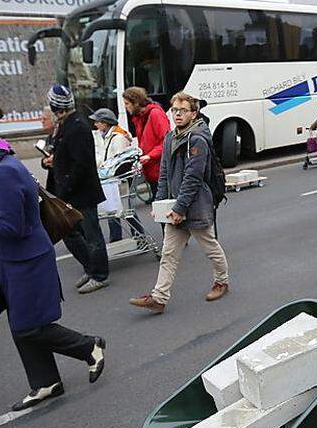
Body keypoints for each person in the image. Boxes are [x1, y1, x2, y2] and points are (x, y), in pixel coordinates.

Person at [0, 114, 105, 411]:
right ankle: (45, 382)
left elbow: (11, 228)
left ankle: (88, 346)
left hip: (28, 260)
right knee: (21, 325)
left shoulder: (4, 172)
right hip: (15, 259)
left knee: (30, 327)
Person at [130, 92, 230, 314]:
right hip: (176, 206)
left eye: (183, 111)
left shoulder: (197, 139)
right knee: (169, 254)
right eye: (174, 110)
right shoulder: (170, 137)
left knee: (210, 248)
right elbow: (164, 174)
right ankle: (159, 298)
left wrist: (179, 209)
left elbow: (193, 178)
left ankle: (221, 281)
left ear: (194, 113)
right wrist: (160, 205)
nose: (177, 115)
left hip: (194, 205)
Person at [43, 84, 109, 293]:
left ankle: (99, 275)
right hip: (70, 191)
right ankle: (91, 268)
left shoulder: (78, 126)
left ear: (56, 107)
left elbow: (82, 164)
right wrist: (53, 161)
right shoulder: (66, 124)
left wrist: (65, 189)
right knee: (71, 232)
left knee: (92, 236)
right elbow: (67, 154)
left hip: (81, 193)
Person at [91, 108, 133, 243]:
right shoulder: (106, 136)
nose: (95, 124)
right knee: (117, 210)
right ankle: (117, 238)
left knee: (125, 211)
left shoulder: (118, 138)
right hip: (110, 180)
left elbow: (118, 161)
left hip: (116, 180)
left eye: (97, 122)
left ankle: (134, 236)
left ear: (105, 123)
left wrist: (102, 167)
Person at [123, 86, 171, 195]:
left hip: (160, 171)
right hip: (152, 170)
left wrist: (150, 156)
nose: (126, 107)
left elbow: (167, 141)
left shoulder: (155, 114)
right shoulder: (139, 118)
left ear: (136, 102)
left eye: (127, 104)